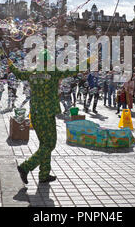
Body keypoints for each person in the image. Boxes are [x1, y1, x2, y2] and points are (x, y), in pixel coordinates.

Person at [10, 52, 82, 184]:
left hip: (36, 113)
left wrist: (11, 66)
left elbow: (19, 74)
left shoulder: (32, 72)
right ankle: (25, 167)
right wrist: (87, 62)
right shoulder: (53, 72)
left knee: (44, 144)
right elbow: (73, 70)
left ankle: (44, 174)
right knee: (50, 144)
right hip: (47, 114)